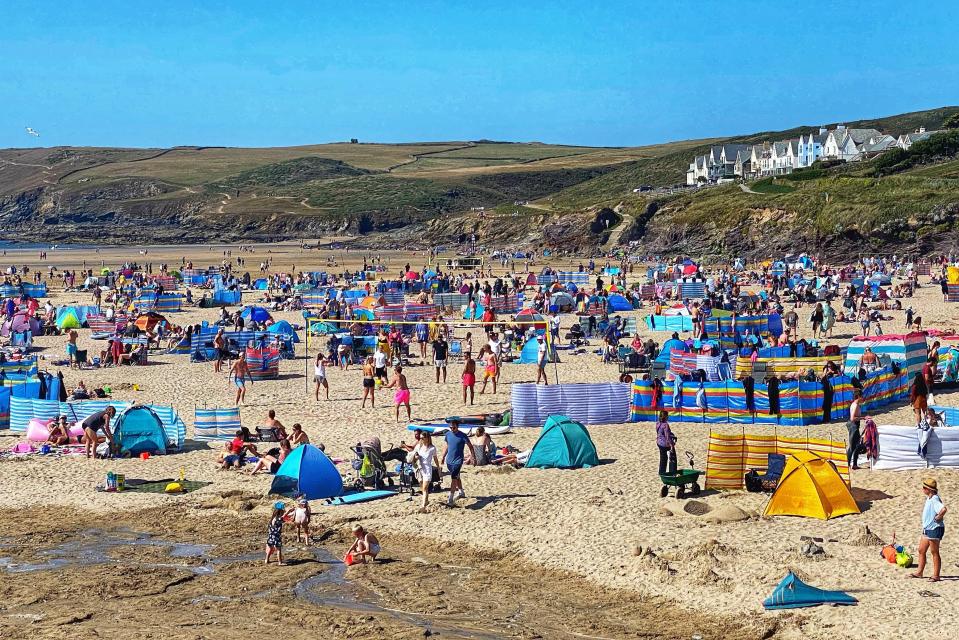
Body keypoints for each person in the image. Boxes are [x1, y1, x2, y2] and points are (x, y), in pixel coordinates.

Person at [911, 478, 946, 582]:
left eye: (924, 488)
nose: (922, 489)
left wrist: (939, 517)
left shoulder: (935, 499)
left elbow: (943, 509)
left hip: (935, 528)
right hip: (927, 528)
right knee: (921, 550)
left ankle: (936, 575)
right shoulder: (929, 498)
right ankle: (919, 572)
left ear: (930, 489)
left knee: (934, 552)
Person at [442, 419, 474, 506]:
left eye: (454, 427)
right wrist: (443, 456)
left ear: (457, 426)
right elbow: (447, 446)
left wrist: (472, 457)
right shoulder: (448, 434)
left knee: (454, 478)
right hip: (449, 461)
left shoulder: (463, 436)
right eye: (451, 427)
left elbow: (471, 447)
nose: (452, 429)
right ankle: (461, 492)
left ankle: (450, 498)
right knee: (457, 477)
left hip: (458, 461)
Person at [409, 431, 440, 512]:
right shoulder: (419, 446)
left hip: (427, 469)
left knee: (425, 487)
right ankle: (426, 501)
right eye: (420, 438)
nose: (421, 439)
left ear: (427, 438)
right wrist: (416, 457)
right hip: (419, 469)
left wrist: (438, 467)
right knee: (422, 487)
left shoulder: (432, 448)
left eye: (423, 438)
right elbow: (414, 457)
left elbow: (435, 459)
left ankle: (423, 505)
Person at [656, 411, 677, 475]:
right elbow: (667, 436)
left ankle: (661, 472)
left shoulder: (658, 423)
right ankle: (672, 472)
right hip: (665, 444)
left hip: (659, 442)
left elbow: (661, 433)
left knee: (663, 458)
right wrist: (672, 445)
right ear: (666, 417)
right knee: (672, 457)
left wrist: (672, 434)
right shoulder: (665, 425)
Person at [846, 389, 863, 470]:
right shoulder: (855, 405)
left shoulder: (856, 404)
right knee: (852, 446)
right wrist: (863, 418)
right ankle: (848, 464)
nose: (862, 398)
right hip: (853, 426)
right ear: (858, 396)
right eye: (861, 396)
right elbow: (853, 418)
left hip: (855, 426)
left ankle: (854, 464)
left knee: (856, 445)